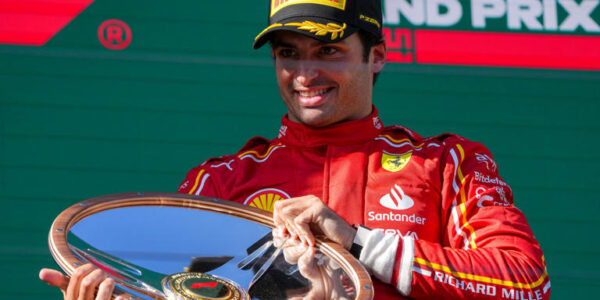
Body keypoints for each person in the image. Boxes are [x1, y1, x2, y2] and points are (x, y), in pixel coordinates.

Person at [40, 0, 551, 299]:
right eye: (289, 54)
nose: (305, 74)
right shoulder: (219, 182)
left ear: (377, 56)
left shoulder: (445, 164)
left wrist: (357, 244)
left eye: (328, 51)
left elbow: (527, 284)